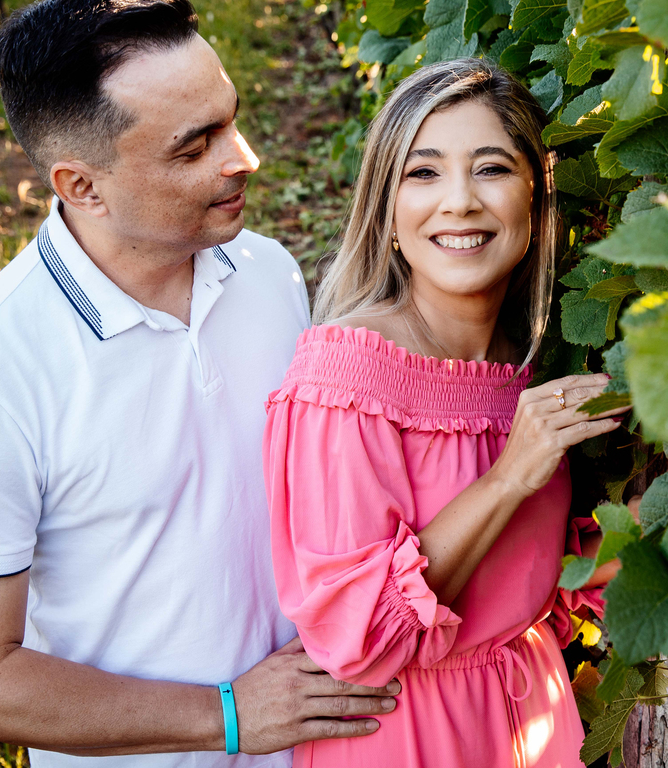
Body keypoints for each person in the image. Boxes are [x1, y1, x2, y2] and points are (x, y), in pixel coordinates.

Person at [0, 0, 398, 768]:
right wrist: (227, 717)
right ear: (81, 187)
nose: (244, 159)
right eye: (193, 147)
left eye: (230, 119)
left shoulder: (268, 273)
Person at [264, 58, 631, 768]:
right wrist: (507, 480)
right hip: (406, 736)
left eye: (490, 168)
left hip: (528, 721)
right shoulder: (347, 374)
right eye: (423, 173)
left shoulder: (517, 366)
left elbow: (521, 583)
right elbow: (360, 636)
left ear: (537, 198)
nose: (459, 201)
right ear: (388, 212)